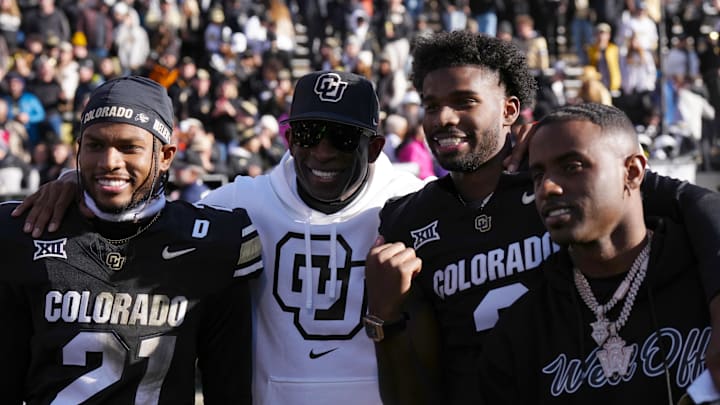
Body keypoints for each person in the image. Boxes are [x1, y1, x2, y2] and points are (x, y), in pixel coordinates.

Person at [11, 71, 434, 405]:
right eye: (307, 134)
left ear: (375, 146)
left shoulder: (412, 204)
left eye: (342, 138)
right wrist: (73, 183)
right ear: (288, 138)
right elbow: (134, 199)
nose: (322, 152)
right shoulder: (238, 206)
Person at [364, 30, 720, 405]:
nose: (443, 118)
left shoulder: (565, 184)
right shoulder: (406, 220)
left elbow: (696, 203)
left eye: (464, 101)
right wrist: (383, 320)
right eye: (431, 105)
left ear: (509, 110)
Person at [0, 76, 262, 403]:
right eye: (95, 145)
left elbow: (229, 388)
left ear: (166, 155)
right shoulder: (27, 229)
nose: (109, 162)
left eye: (128, 147)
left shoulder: (214, 242)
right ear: (78, 149)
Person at [479, 103, 711, 403]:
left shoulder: (706, 285)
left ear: (632, 171)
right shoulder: (523, 331)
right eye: (538, 175)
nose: (547, 188)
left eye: (572, 167)